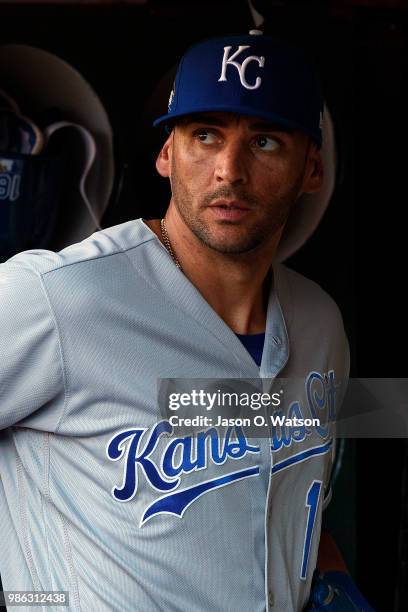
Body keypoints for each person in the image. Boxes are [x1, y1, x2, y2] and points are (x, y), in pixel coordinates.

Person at [0, 30, 371, 612]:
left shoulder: (319, 324)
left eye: (266, 142)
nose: (230, 170)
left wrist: (332, 582)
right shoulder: (57, 298)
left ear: (312, 170)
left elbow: (271, 494)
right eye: (205, 135)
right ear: (166, 153)